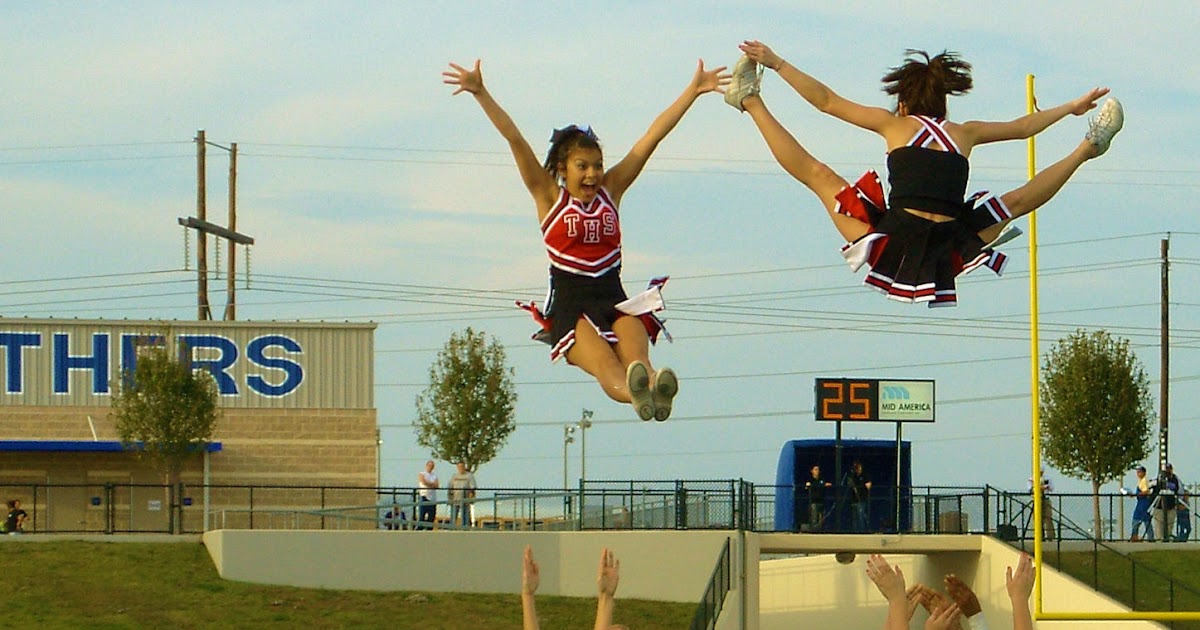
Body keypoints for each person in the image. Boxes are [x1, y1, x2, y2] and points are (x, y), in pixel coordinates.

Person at [725, 41, 1123, 307]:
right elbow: (1023, 128)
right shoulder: (965, 132)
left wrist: (777, 63)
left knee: (819, 176)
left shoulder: (894, 125)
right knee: (1013, 203)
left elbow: (826, 101)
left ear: (903, 102)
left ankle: (749, 100)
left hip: (904, 238)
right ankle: (1088, 147)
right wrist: (1070, 106)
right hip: (944, 239)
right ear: (942, 102)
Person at [443, 58, 731, 421]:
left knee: (638, 363)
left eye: (597, 164)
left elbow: (651, 138)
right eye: (583, 166)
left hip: (613, 297)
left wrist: (693, 91)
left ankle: (656, 388)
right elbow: (515, 140)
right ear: (563, 169)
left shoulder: (612, 189)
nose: (593, 174)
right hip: (570, 304)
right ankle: (636, 397)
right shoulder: (549, 198)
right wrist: (481, 93)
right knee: (609, 370)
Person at [448, 462, 478, 528]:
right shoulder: (454, 476)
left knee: (465, 515)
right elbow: (450, 487)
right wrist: (450, 497)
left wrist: (470, 498)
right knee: (453, 515)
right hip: (455, 499)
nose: (461, 468)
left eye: (462, 466)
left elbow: (473, 488)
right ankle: (452, 528)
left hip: (465, 499)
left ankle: (465, 528)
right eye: (459, 466)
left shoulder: (469, 476)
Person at [804, 464, 833, 531]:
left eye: (818, 470)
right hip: (813, 502)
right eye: (815, 469)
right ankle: (814, 531)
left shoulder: (821, 479)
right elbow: (807, 486)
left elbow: (824, 484)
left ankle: (820, 530)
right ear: (812, 471)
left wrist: (825, 484)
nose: (817, 471)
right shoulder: (810, 480)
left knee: (821, 518)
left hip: (821, 501)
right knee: (814, 518)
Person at [1157, 463, 1181, 542]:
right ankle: (1160, 539)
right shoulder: (1159, 478)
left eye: (1169, 469)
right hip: (1160, 506)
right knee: (1159, 524)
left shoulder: (1175, 478)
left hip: (1171, 505)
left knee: (1170, 523)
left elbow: (1177, 489)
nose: (1168, 471)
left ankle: (1168, 537)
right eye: (1166, 469)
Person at [1027, 472, 1055, 541]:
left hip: (1046, 499)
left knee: (1048, 518)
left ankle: (1050, 537)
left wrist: (1044, 487)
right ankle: (1038, 536)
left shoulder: (1047, 478)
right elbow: (1030, 489)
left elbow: (1051, 488)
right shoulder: (1031, 479)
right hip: (1036, 500)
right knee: (1036, 519)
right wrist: (1039, 487)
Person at [1130, 465, 1155, 542]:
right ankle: (1135, 536)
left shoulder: (1144, 481)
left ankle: (1149, 537)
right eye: (1137, 472)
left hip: (1144, 503)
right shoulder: (1140, 481)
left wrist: (1136, 494)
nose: (1138, 473)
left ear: (1144, 472)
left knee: (1145, 520)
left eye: (1140, 472)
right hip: (1140, 503)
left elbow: (1146, 492)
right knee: (1138, 520)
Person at [848, 460, 872, 532]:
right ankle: (855, 531)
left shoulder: (864, 476)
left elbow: (868, 484)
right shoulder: (853, 476)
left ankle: (862, 531)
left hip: (861, 499)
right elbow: (850, 483)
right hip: (854, 499)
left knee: (861, 517)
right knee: (854, 518)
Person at [416, 460, 439, 530]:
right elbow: (423, 482)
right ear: (426, 466)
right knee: (421, 516)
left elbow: (437, 486)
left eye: (432, 466)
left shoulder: (434, 476)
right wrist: (431, 484)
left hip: (432, 498)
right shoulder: (422, 474)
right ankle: (419, 530)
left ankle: (429, 530)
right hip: (424, 497)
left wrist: (429, 484)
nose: (430, 467)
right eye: (429, 466)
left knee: (431, 516)